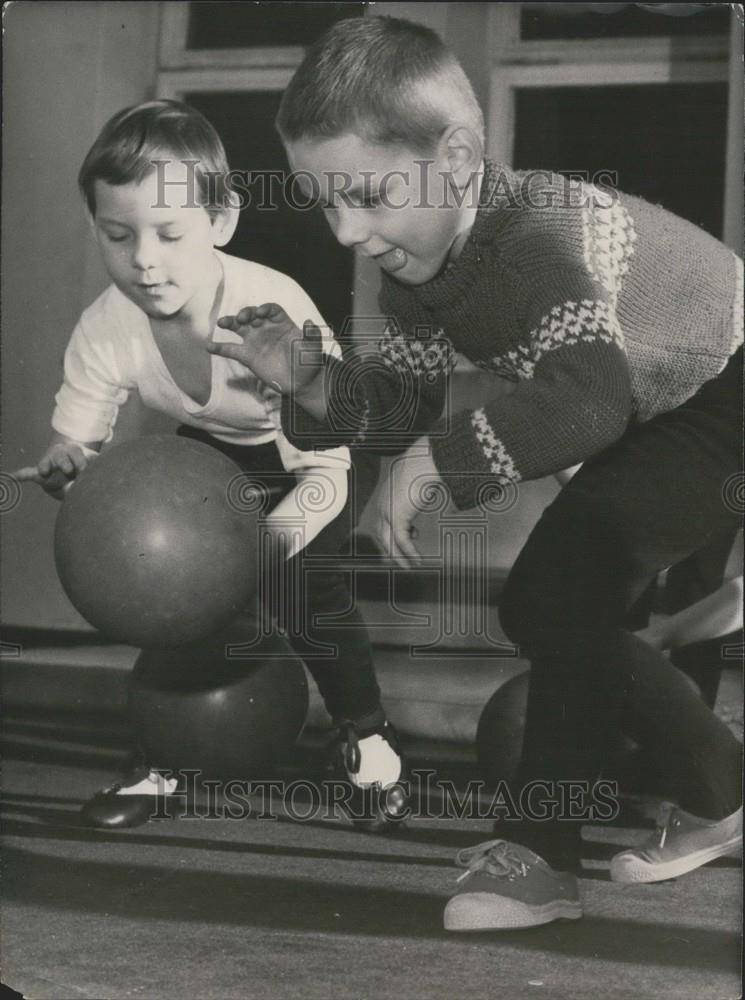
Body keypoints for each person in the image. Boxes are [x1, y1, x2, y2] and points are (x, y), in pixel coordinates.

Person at [208, 16, 743, 930]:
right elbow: (403, 405)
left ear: (456, 156)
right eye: (324, 202)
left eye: (368, 196)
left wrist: (433, 465)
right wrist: (307, 380)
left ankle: (550, 857)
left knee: (556, 593)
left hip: (721, 387)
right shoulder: (414, 273)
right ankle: (711, 792)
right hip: (651, 400)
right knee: (562, 605)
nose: (346, 231)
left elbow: (584, 402)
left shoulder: (535, 235)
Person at [14, 99, 407, 833]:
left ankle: (370, 742)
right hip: (218, 447)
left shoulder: (270, 308)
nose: (143, 260)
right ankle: (163, 759)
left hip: (326, 445)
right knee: (178, 584)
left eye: (169, 234)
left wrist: (261, 548)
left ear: (221, 221)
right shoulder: (107, 324)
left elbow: (323, 466)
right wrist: (71, 464)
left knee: (300, 585)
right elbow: (77, 444)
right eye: (117, 234)